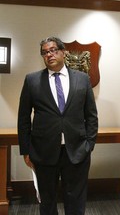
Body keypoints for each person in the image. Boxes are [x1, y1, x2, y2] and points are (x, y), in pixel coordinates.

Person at [17, 36, 98, 215]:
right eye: (45, 52)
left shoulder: (82, 79)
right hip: (43, 151)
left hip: (77, 151)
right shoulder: (32, 81)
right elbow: (23, 118)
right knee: (47, 200)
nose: (49, 55)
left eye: (53, 50)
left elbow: (91, 115)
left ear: (63, 52)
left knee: (76, 200)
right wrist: (26, 150)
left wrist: (89, 144)